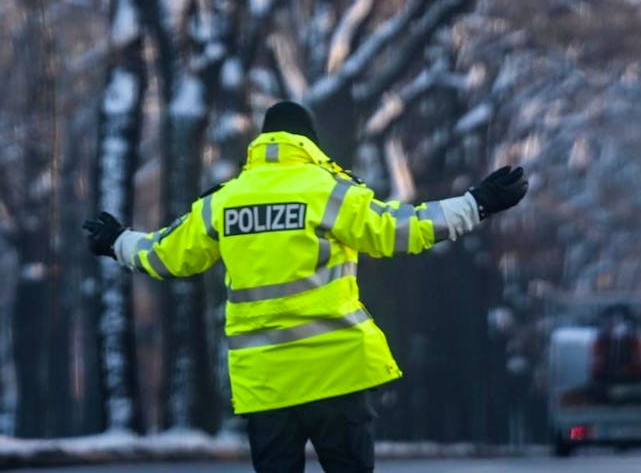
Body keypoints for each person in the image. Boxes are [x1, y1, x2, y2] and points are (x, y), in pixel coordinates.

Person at [82, 101, 528, 473]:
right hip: (336, 371)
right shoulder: (327, 190)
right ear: (310, 144)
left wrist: (117, 241)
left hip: (266, 383)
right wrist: (476, 203)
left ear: (262, 143)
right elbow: (400, 230)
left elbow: (165, 255)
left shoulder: (223, 201)